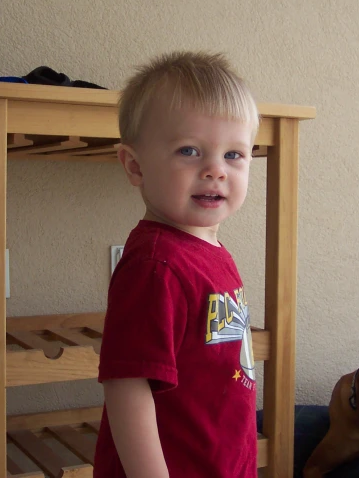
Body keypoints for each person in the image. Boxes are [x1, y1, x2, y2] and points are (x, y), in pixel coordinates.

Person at [93, 51, 260, 478]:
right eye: (190, 150)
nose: (215, 171)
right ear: (135, 166)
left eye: (234, 155)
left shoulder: (211, 252)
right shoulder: (156, 266)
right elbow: (127, 385)